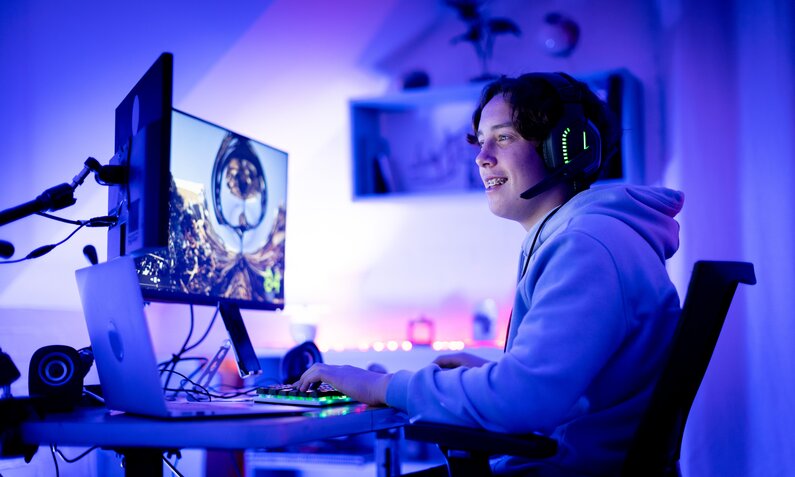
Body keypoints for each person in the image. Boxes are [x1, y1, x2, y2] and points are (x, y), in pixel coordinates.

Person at [294, 72, 684, 476]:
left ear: (566, 149)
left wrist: (382, 386)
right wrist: (490, 376)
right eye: (480, 141)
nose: (481, 157)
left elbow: (526, 398)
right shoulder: (589, 236)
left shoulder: (586, 245)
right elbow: (570, 388)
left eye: (504, 137)